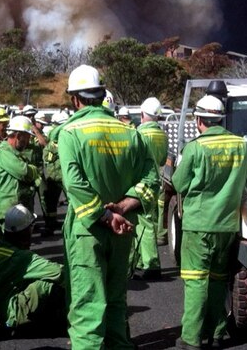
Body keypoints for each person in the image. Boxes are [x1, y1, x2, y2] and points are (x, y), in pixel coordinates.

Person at [59, 65, 158, 349]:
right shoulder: (131, 133)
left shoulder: (70, 133)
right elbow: (151, 179)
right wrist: (124, 207)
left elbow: (75, 184)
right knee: (115, 302)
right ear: (101, 94)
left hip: (87, 231)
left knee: (88, 307)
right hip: (122, 230)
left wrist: (104, 215)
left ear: (74, 99)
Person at [171, 95, 247, 350]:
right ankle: (217, 334)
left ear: (199, 120)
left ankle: (191, 338)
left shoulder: (195, 148)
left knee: (195, 281)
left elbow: (178, 183)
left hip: (198, 226)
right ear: (221, 119)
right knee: (217, 281)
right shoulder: (241, 145)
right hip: (227, 226)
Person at [0, 204, 65, 334]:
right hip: (12, 315)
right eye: (30, 228)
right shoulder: (20, 257)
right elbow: (58, 272)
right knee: (49, 284)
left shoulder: (4, 249)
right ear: (23, 232)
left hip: (6, 311)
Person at [131, 97, 169, 280]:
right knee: (151, 222)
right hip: (157, 182)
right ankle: (141, 262)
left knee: (143, 224)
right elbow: (162, 160)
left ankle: (151, 265)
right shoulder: (162, 135)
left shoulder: (138, 134)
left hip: (142, 183)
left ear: (142, 114)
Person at [0, 116, 40, 225]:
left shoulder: (14, 153)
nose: (28, 142)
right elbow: (24, 172)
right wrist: (33, 170)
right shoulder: (4, 152)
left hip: (16, 209)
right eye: (27, 137)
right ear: (18, 136)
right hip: (8, 211)